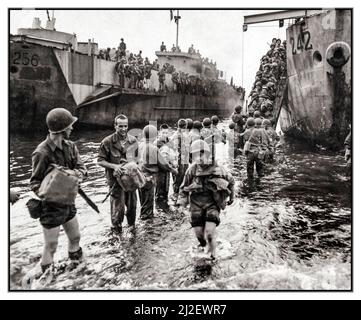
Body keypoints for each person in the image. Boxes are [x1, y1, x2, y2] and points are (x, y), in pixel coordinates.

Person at [29, 108, 87, 274]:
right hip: (51, 208)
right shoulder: (41, 152)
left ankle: (76, 269)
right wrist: (50, 190)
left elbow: (82, 168)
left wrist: (77, 176)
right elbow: (34, 183)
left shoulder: (71, 146)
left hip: (68, 203)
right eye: (69, 126)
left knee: (75, 237)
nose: (72, 128)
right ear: (62, 129)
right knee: (51, 246)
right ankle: (47, 280)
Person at [177, 139, 235, 259]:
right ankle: (204, 246)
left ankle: (213, 256)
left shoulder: (218, 168)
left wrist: (231, 197)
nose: (199, 158)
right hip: (196, 204)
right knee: (199, 235)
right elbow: (183, 189)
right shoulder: (191, 170)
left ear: (207, 154)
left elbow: (231, 181)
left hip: (212, 203)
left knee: (208, 233)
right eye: (195, 155)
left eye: (201, 154)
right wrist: (181, 205)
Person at [97, 114, 138, 233]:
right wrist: (114, 166)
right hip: (115, 182)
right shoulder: (107, 142)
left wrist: (133, 166)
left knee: (132, 207)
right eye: (120, 126)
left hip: (130, 181)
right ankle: (117, 233)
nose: (124, 129)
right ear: (115, 126)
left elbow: (137, 159)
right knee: (117, 210)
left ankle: (132, 229)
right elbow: (100, 160)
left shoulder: (133, 140)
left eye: (126, 126)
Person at [138, 125, 177, 219]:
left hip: (140, 177)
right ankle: (148, 228)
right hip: (149, 179)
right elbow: (164, 164)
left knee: (143, 204)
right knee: (148, 208)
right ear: (155, 135)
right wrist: (173, 170)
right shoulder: (153, 148)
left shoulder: (140, 145)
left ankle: (143, 222)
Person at [154, 124, 177, 204]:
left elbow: (173, 152)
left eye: (166, 133)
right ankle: (158, 204)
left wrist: (174, 162)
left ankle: (165, 202)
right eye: (163, 133)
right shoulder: (157, 143)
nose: (165, 135)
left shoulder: (169, 141)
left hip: (167, 167)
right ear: (159, 132)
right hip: (159, 169)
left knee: (166, 186)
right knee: (159, 186)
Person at [169, 119, 190, 199]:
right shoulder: (178, 136)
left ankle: (179, 193)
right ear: (185, 126)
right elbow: (176, 149)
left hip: (182, 159)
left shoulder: (180, 135)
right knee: (178, 177)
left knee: (182, 176)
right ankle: (176, 193)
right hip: (178, 159)